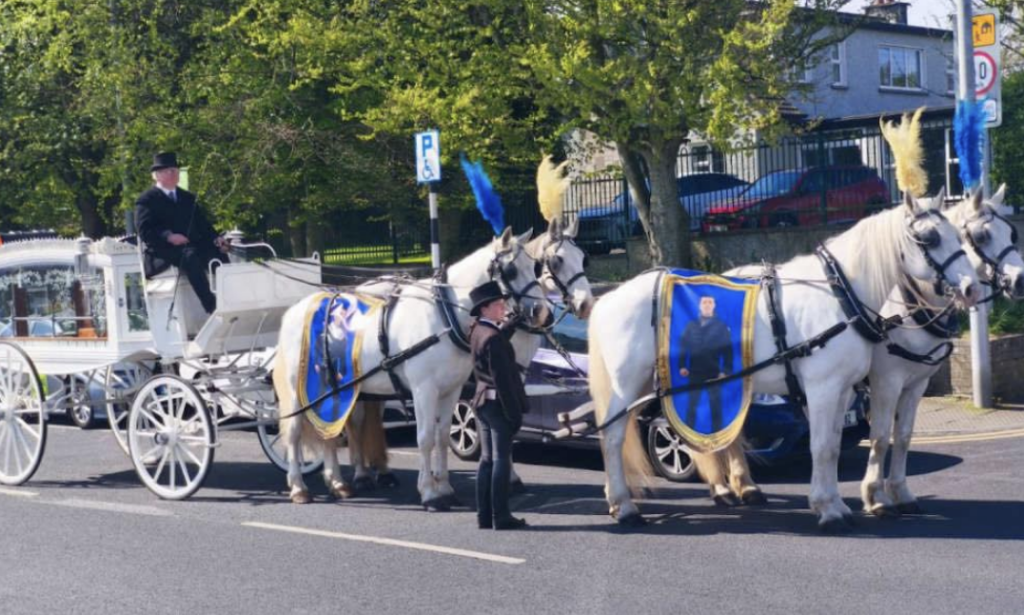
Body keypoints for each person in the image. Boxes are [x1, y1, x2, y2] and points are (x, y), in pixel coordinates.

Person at [469, 280, 529, 531]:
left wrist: (509, 327)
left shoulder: (478, 330)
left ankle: (484, 516)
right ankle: (501, 516)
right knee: (501, 460)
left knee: (487, 460)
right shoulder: (492, 338)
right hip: (497, 404)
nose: (503, 307)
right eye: (498, 304)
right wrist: (514, 414)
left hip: (483, 403)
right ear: (484, 308)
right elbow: (503, 381)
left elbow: (494, 342)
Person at [135, 152, 228, 314]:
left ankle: (230, 299)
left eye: (176, 171)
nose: (174, 174)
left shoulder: (188, 198)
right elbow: (145, 230)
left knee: (218, 254)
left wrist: (217, 238)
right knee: (190, 257)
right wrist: (169, 236)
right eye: (169, 171)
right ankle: (211, 306)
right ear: (157, 175)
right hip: (163, 250)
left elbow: (203, 225)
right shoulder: (147, 200)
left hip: (191, 245)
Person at [678, 295, 732, 433]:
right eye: (704, 302)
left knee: (715, 406)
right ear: (700, 305)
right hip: (694, 372)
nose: (707, 305)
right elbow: (683, 346)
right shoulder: (691, 325)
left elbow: (728, 351)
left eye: (710, 302)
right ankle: (688, 434)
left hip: (714, 372)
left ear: (714, 305)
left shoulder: (721, 326)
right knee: (692, 406)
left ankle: (717, 435)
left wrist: (726, 371)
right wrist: (682, 366)